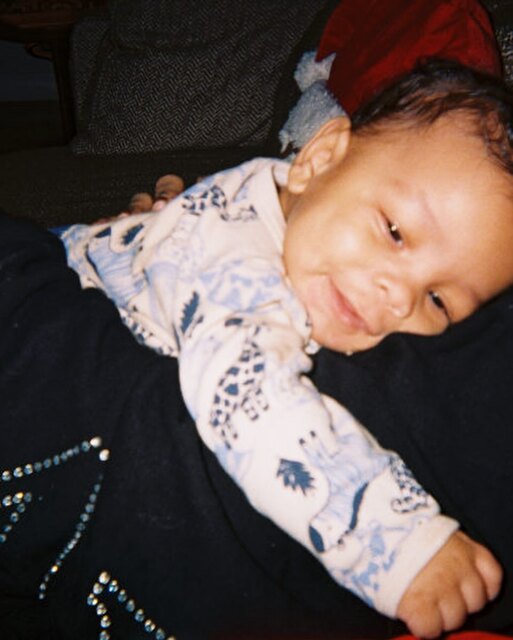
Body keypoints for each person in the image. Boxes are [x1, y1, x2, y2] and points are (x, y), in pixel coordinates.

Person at [55, 60, 513, 638]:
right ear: (318, 159)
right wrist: (399, 543)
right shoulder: (232, 259)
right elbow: (251, 396)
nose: (399, 297)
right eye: (395, 232)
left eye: (439, 301)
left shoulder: (308, 220)